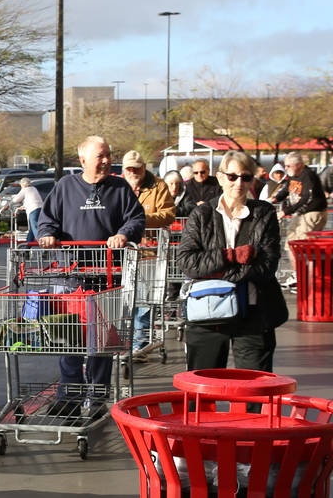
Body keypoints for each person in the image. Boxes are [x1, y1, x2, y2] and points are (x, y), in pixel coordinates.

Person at [37, 135, 145, 417]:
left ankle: (96, 398)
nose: (107, 160)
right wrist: (47, 235)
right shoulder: (65, 187)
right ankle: (69, 397)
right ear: (83, 159)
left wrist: (124, 234)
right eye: (101, 156)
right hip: (71, 277)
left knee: (100, 343)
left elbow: (137, 218)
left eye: (109, 154)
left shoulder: (119, 188)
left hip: (107, 278)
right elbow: (47, 220)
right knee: (68, 339)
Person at [177, 150, 287, 370]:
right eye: (232, 176)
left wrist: (217, 272)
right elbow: (187, 262)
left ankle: (251, 407)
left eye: (246, 177)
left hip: (255, 313)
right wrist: (231, 256)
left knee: (254, 390)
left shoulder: (264, 214)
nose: (239, 183)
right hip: (207, 311)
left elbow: (267, 265)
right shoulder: (202, 215)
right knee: (202, 388)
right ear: (220, 177)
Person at [121, 150, 175, 355]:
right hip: (125, 254)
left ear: (144, 168)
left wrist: (139, 219)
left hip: (150, 252)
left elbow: (168, 214)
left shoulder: (158, 186)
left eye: (137, 168)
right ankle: (128, 341)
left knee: (145, 301)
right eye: (129, 168)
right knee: (126, 300)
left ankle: (140, 344)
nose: (133, 172)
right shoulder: (118, 187)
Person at [270, 151, 327, 286]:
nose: (286, 168)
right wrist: (275, 198)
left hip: (311, 213)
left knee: (301, 245)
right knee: (291, 244)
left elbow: (308, 198)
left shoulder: (308, 176)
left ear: (299, 165)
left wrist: (285, 211)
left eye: (289, 166)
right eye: (285, 165)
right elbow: (286, 189)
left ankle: (306, 278)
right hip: (301, 213)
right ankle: (300, 275)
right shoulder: (294, 176)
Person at [7, 177, 44, 243]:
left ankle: (43, 245)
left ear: (23, 184)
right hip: (40, 209)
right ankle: (27, 247)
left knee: (35, 228)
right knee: (32, 230)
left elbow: (16, 200)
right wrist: (24, 206)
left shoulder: (25, 189)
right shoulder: (34, 189)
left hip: (33, 210)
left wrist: (8, 205)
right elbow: (33, 199)